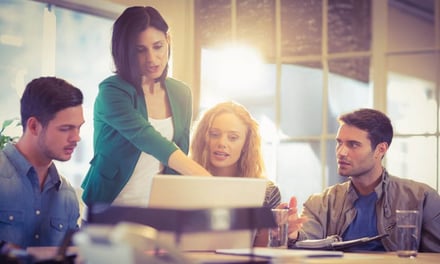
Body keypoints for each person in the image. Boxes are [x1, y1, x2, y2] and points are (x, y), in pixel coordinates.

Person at [81, 6, 210, 209]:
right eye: (140, 50)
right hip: (110, 208)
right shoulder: (112, 91)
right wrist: (206, 178)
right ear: (125, 52)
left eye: (158, 46)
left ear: (168, 41)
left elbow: (180, 150)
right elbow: (147, 137)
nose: (151, 58)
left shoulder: (181, 93)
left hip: (158, 209)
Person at [285, 108, 440, 252]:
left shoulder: (422, 199)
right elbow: (306, 240)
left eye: (353, 145)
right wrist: (292, 234)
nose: (341, 152)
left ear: (380, 149)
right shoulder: (321, 203)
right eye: (339, 142)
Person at [0, 77, 84, 248]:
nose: (76, 138)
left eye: (78, 127)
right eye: (65, 128)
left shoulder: (67, 194)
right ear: (34, 126)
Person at [190, 101, 281, 246]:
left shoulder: (267, 192)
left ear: (246, 144)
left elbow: (263, 255)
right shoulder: (184, 185)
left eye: (233, 137)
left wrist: (276, 229)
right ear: (203, 139)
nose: (222, 143)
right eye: (214, 134)